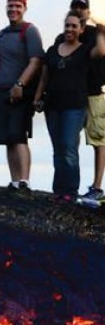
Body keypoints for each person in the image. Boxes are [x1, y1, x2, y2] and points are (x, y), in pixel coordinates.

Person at [34, 12, 105, 202]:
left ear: (81, 30)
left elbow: (101, 51)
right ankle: (59, 190)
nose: (70, 29)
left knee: (68, 146)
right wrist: (38, 97)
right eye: (67, 25)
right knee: (58, 149)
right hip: (53, 106)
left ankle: (71, 191)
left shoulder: (85, 50)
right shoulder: (53, 50)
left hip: (74, 107)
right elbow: (44, 77)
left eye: (74, 26)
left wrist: (100, 31)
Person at [0, 0, 44, 195]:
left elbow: (36, 60)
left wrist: (20, 84)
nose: (13, 9)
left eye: (18, 6)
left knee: (19, 136)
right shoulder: (3, 33)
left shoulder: (30, 31)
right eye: (10, 5)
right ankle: (14, 181)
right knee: (7, 138)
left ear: (24, 8)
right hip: (2, 90)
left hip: (21, 91)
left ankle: (24, 181)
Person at [58, 0, 105, 207]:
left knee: (98, 140)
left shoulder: (97, 34)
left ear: (88, 11)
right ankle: (68, 187)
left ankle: (97, 187)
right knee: (69, 142)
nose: (79, 10)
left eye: (83, 7)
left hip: (94, 92)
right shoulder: (64, 36)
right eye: (75, 7)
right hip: (71, 94)